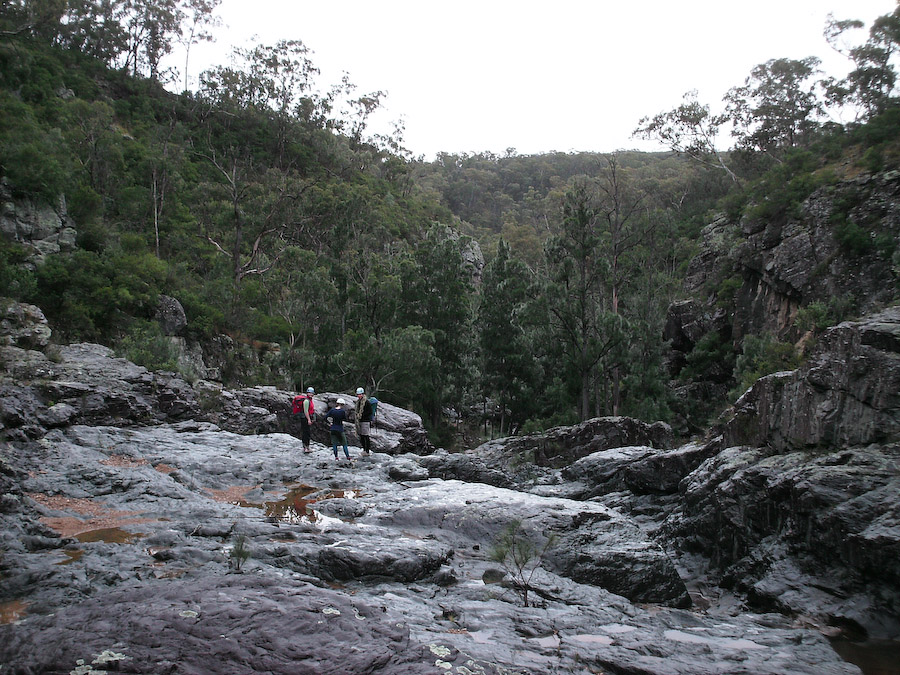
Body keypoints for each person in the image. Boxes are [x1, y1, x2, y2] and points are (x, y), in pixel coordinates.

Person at [292, 386, 316, 454]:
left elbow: (311, 410)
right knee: (306, 433)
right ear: (307, 393)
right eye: (309, 393)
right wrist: (309, 419)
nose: (311, 394)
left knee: (307, 433)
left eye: (312, 393)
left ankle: (307, 447)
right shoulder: (306, 401)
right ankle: (306, 447)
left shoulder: (310, 400)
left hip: (307, 418)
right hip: (305, 418)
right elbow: (306, 411)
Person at [354, 387, 374, 455]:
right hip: (360, 421)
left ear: (362, 394)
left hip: (365, 421)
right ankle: (364, 449)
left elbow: (370, 411)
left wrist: (361, 415)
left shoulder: (366, 402)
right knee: (361, 436)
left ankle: (367, 451)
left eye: (360, 394)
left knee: (366, 435)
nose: (359, 396)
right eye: (358, 394)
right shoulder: (358, 402)